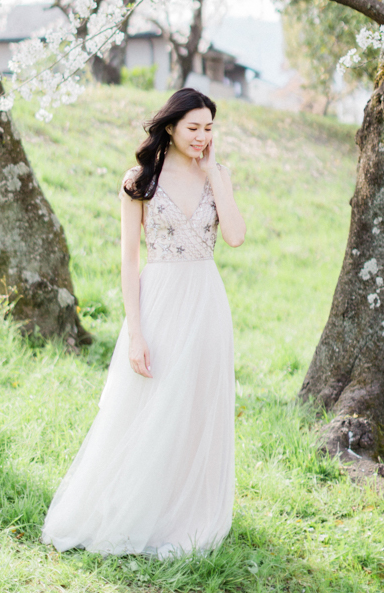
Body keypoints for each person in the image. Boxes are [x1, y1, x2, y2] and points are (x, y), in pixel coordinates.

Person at [41, 88, 246, 557]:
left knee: (195, 407)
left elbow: (234, 237)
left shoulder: (219, 173)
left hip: (207, 301)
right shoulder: (140, 181)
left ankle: (186, 510)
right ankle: (133, 508)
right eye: (193, 127)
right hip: (160, 300)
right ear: (170, 127)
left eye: (209, 128)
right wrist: (136, 334)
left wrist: (214, 173)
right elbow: (129, 262)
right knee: (152, 405)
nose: (201, 136)